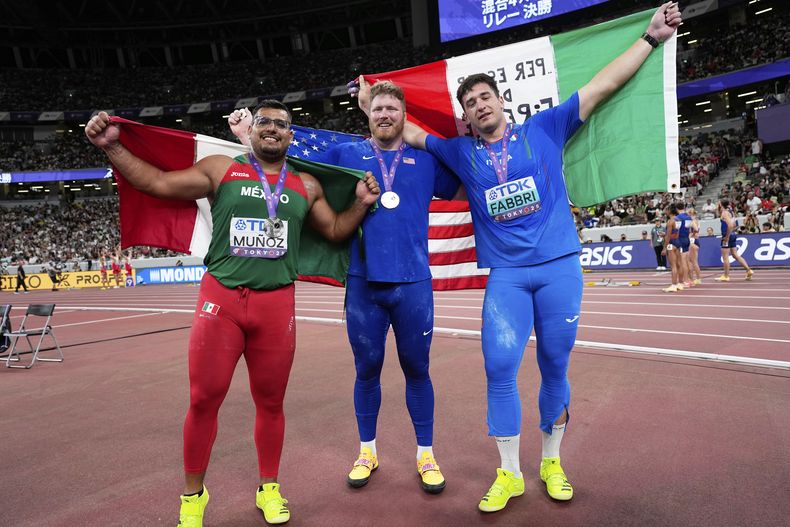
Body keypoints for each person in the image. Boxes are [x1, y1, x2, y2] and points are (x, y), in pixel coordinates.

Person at [355, 1, 680, 511]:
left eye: (486, 97)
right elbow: (403, 131)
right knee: (499, 366)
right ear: (465, 116)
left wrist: (652, 37)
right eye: (471, 103)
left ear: (501, 100)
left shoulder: (545, 128)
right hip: (506, 276)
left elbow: (601, 87)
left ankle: (552, 461)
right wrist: (369, 103)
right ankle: (508, 474)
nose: (480, 105)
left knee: (554, 365)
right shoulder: (459, 152)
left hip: (558, 269)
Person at [85, 100, 380, 527]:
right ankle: (193, 497)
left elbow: (334, 230)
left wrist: (361, 203)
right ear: (254, 130)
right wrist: (112, 148)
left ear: (290, 136)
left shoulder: (307, 185)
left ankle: (269, 488)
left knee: (271, 402)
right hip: (220, 302)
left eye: (282, 124)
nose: (273, 129)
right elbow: (157, 183)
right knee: (204, 400)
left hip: (276, 307)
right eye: (265, 122)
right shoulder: (221, 169)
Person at [230, 81, 462, 494]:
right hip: (362, 285)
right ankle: (367, 451)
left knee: (418, 370)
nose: (385, 115)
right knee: (366, 369)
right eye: (378, 109)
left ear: (403, 115)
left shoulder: (426, 161)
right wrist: (245, 136)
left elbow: (466, 181)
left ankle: (425, 453)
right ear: (367, 115)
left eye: (392, 108)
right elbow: (287, 161)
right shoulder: (345, 155)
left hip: (413, 284)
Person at [715, 198, 754, 282]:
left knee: (725, 257)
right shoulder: (731, 211)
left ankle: (726, 276)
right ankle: (748, 270)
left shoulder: (725, 213)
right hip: (733, 234)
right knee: (735, 255)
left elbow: (730, 225)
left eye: (718, 203)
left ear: (721, 204)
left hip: (727, 235)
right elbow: (735, 224)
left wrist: (727, 237)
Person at [662, 203, 690, 293]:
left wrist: (664, 248)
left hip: (671, 243)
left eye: (666, 210)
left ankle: (673, 285)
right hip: (678, 242)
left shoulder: (670, 221)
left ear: (670, 211)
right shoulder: (678, 220)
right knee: (679, 264)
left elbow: (668, 236)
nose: (665, 211)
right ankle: (680, 283)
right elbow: (676, 233)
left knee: (673, 266)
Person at [687, 207, 702, 285]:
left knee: (692, 262)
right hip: (695, 241)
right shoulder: (696, 220)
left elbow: (696, 230)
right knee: (692, 261)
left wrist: (690, 235)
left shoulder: (693, 221)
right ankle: (694, 278)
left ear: (690, 214)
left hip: (692, 241)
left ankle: (696, 279)